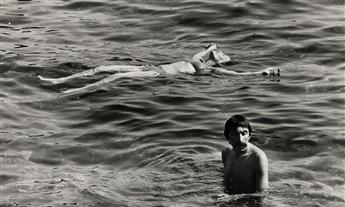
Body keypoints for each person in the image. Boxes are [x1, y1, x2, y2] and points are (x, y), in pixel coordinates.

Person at [37, 43, 280, 93]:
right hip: (150, 66)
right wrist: (211, 48)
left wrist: (261, 72)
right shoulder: (200, 59)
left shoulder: (210, 70)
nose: (221, 54)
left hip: (159, 74)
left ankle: (72, 91)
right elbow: (202, 51)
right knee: (102, 67)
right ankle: (60, 81)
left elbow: (237, 74)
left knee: (119, 75)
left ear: (221, 61)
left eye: (222, 55)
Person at [222, 115, 268, 195]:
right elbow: (227, 181)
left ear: (249, 135)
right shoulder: (226, 153)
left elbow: (262, 194)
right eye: (235, 134)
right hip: (231, 198)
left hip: (251, 202)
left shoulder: (258, 158)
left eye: (244, 133)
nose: (240, 139)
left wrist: (232, 199)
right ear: (227, 137)